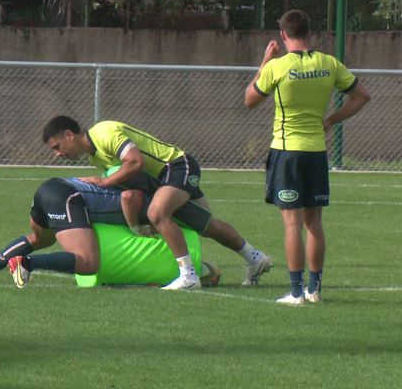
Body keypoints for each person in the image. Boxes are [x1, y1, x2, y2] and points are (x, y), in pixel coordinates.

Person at [42, 116, 272, 290]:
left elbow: (135, 162)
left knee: (158, 213)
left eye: (57, 147)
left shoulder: (104, 132)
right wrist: (134, 224)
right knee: (206, 224)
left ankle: (189, 276)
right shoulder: (95, 156)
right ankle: (256, 258)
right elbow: (130, 184)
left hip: (177, 166)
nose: (58, 154)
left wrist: (103, 182)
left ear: (69, 134)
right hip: (160, 182)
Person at [244, 9, 371, 305]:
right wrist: (331, 120)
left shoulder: (278, 66)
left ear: (283, 34)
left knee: (292, 224)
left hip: (287, 153)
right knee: (314, 223)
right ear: (309, 33)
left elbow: (249, 99)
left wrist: (264, 61)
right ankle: (314, 290)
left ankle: (297, 292)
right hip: (316, 153)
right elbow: (362, 95)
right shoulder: (329, 63)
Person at [0, 175, 210, 286]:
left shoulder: (123, 175)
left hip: (51, 187)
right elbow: (128, 198)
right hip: (67, 197)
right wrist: (137, 228)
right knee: (88, 262)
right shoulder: (146, 197)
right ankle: (28, 263)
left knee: (39, 238)